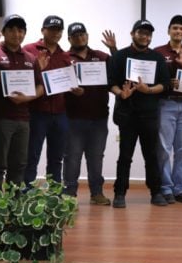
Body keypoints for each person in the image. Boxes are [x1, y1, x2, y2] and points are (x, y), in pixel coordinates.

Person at [108, 19, 171, 208]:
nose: (145, 37)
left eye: (148, 34)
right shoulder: (119, 56)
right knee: (125, 155)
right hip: (127, 114)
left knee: (152, 155)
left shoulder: (157, 58)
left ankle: (156, 192)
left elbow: (165, 84)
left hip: (150, 114)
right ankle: (120, 193)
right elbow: (110, 82)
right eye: (141, 33)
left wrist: (148, 90)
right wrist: (121, 93)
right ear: (132, 34)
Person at [0, 14, 43, 187]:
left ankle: (13, 205)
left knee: (19, 165)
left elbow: (40, 86)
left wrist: (28, 97)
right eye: (11, 29)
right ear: (4, 32)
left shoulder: (30, 59)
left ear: (24, 33)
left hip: (23, 119)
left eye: (20, 30)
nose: (16, 34)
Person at [22, 15, 75, 187]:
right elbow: (21, 77)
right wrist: (38, 68)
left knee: (56, 158)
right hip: (36, 112)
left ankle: (54, 196)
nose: (55, 33)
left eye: (59, 30)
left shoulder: (64, 55)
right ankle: (26, 194)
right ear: (43, 30)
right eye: (51, 29)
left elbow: (68, 83)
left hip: (60, 113)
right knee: (32, 155)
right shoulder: (29, 49)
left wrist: (76, 88)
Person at [63, 22, 112, 205]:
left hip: (98, 117)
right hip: (72, 118)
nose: (80, 38)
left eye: (82, 34)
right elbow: (57, 83)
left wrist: (113, 48)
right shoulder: (64, 57)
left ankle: (97, 193)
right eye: (75, 35)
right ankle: (69, 195)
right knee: (72, 158)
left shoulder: (101, 57)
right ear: (69, 39)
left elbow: (118, 72)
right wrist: (70, 90)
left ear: (87, 36)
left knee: (96, 157)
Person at [155, 15, 182, 204]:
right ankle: (165, 188)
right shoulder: (158, 52)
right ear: (168, 31)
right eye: (175, 28)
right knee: (163, 149)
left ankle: (179, 188)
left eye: (181, 29)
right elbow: (152, 79)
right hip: (166, 103)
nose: (178, 31)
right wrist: (168, 82)